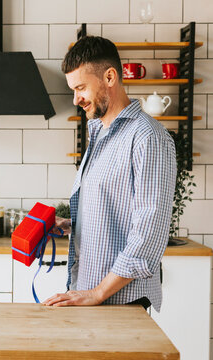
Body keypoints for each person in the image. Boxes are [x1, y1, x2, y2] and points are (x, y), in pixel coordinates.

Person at [43, 36, 176, 311]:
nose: (76, 99)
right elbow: (113, 211)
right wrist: (70, 225)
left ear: (110, 77)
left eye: (81, 88)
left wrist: (97, 294)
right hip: (89, 294)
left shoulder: (148, 137)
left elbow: (149, 233)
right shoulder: (100, 132)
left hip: (120, 301)